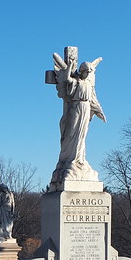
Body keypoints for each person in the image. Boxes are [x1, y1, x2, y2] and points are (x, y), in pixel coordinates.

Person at [49, 48, 105, 188]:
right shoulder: (77, 82)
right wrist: (68, 67)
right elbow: (67, 80)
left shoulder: (88, 84)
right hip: (75, 109)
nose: (88, 74)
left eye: (90, 72)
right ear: (82, 71)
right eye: (86, 71)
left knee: (82, 136)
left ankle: (80, 160)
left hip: (85, 109)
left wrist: (99, 111)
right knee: (71, 134)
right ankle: (69, 160)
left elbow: (93, 99)